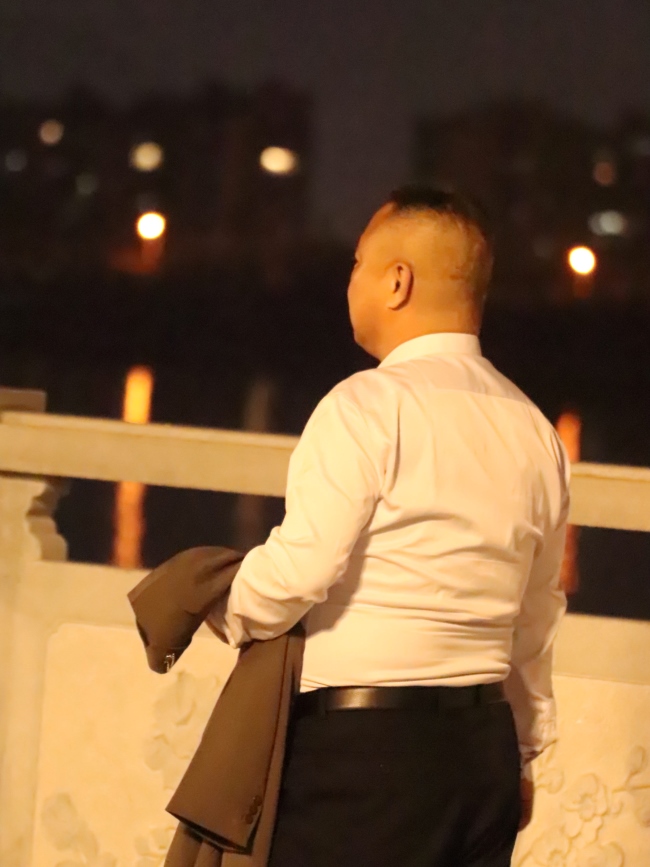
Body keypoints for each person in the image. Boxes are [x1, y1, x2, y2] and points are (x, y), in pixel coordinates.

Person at [208, 185, 570, 867]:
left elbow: (300, 572)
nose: (350, 282)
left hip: (366, 756)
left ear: (397, 281)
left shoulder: (365, 406)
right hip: (481, 755)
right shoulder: (535, 430)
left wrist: (222, 603)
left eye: (357, 264)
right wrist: (522, 756)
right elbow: (536, 616)